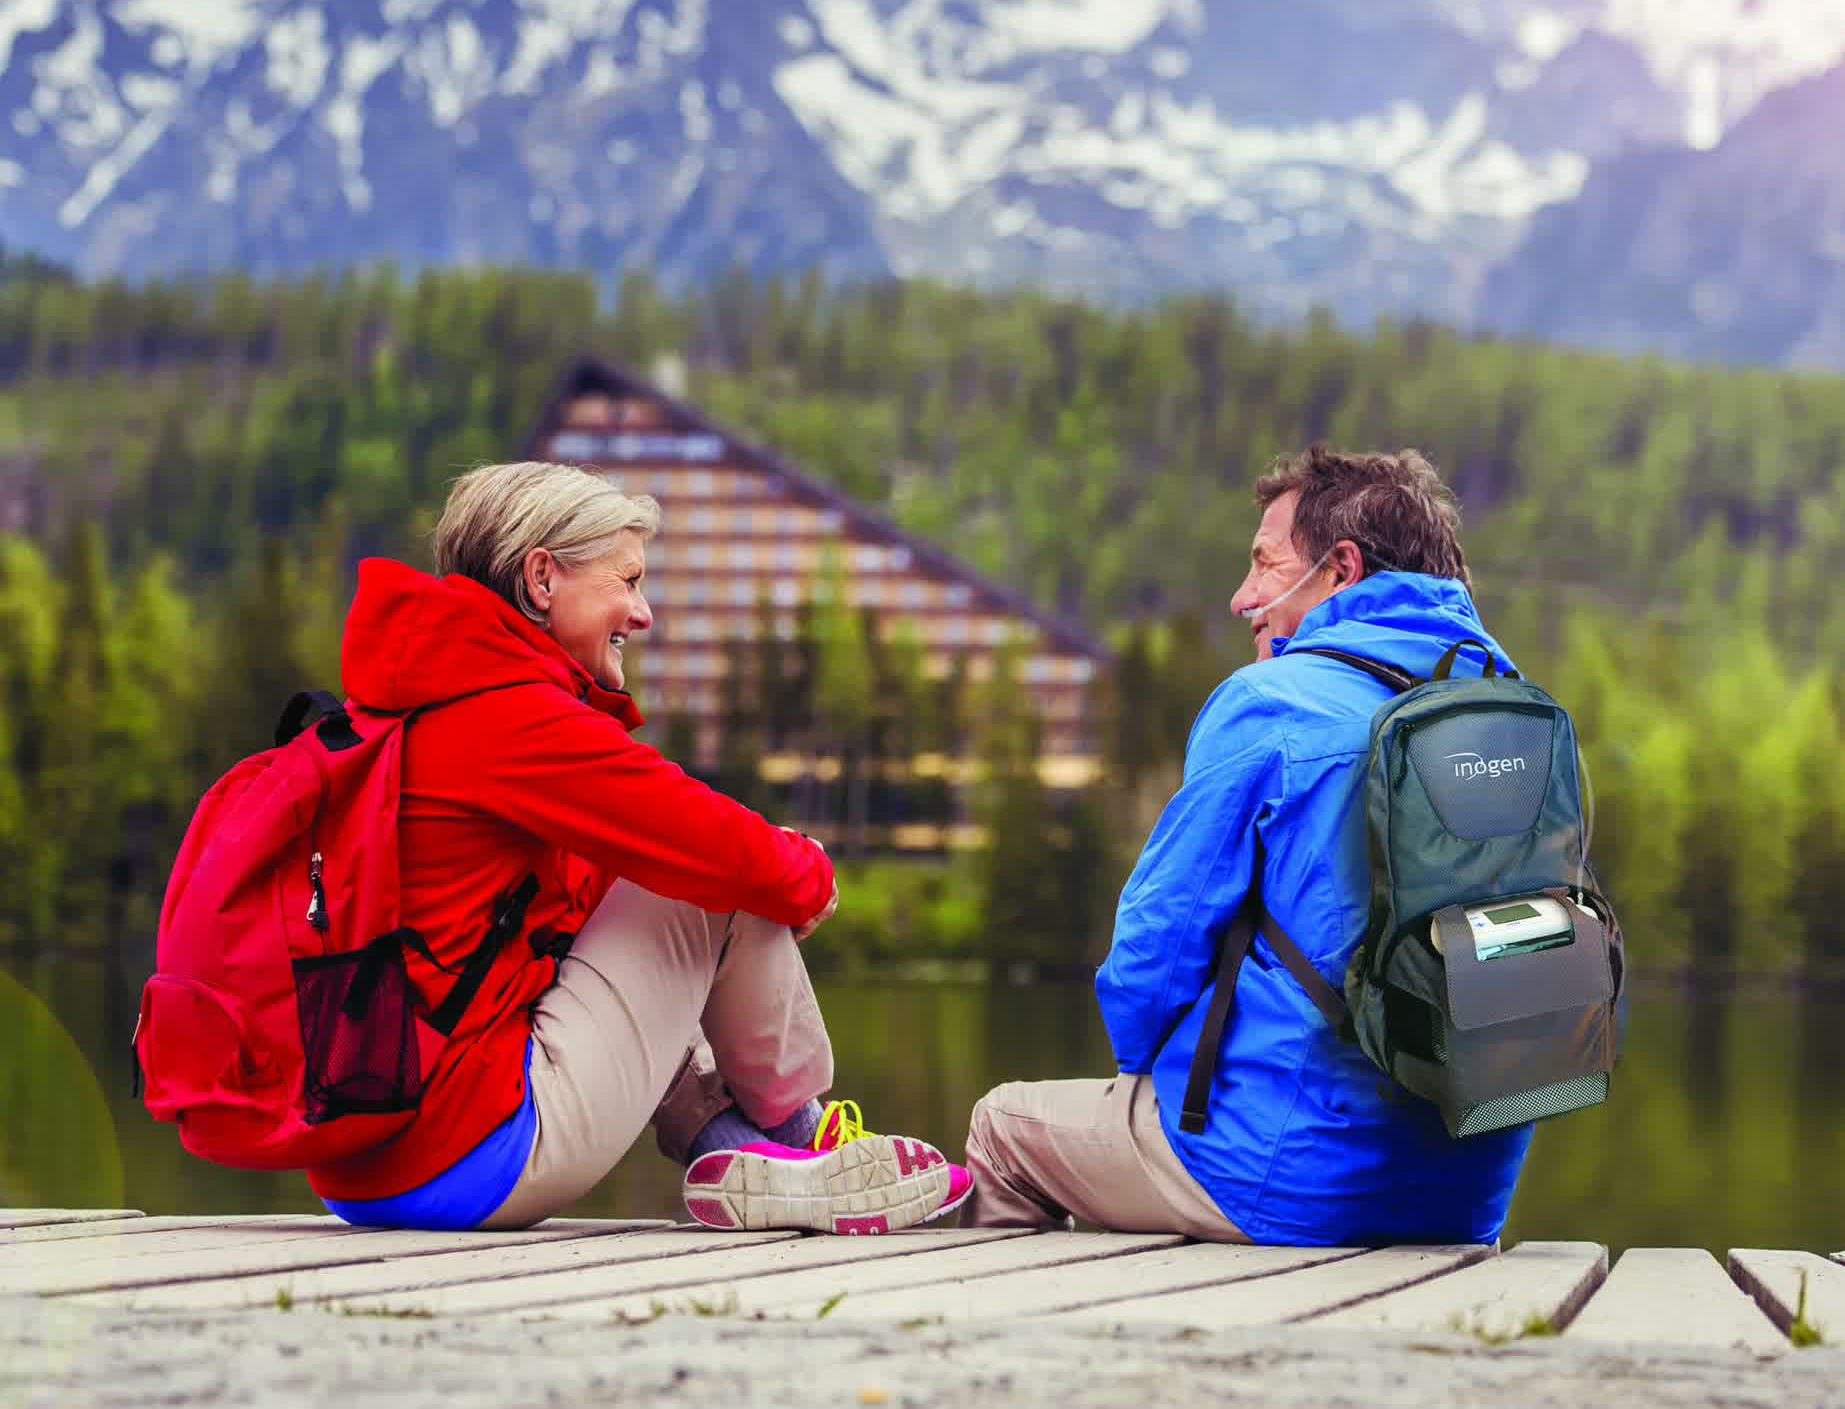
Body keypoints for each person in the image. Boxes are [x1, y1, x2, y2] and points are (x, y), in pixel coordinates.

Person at [309, 461, 971, 1234]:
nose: (643, 612)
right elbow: (717, 848)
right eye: (626, 579)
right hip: (470, 1157)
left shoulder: (421, 700)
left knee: (646, 884)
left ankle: (739, 1149)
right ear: (542, 577)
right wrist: (808, 872)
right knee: (720, 875)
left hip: (363, 1167)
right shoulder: (514, 719)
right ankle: (802, 1137)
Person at [963, 443, 1531, 1245]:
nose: (1241, 597)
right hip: (1470, 1191)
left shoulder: (1271, 702)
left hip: (1290, 1174)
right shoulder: (1510, 708)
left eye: (1264, 563)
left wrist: (1144, 1070)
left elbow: (1153, 955)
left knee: (1003, 1126)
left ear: (1339, 568)